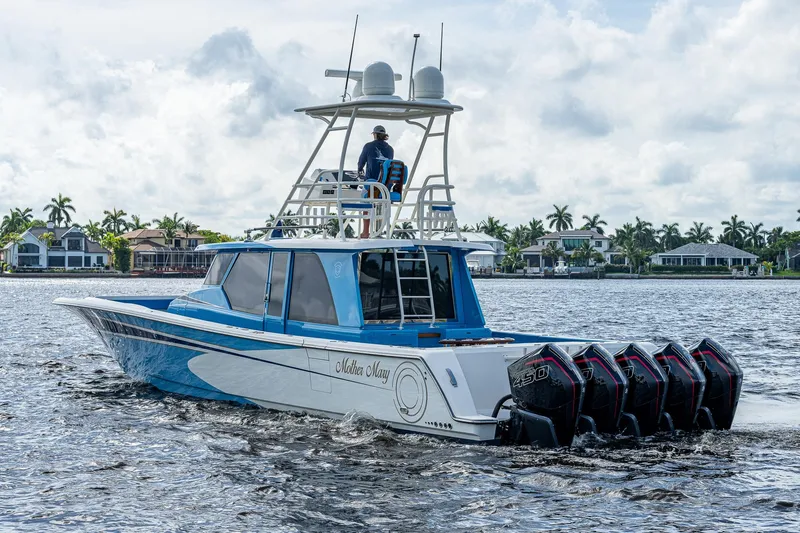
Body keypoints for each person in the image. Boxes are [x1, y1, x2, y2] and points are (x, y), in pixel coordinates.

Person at [357, 125, 394, 238]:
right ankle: (379, 231)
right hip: (385, 187)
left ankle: (365, 232)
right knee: (380, 202)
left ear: (375, 135)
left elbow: (360, 164)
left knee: (365, 201)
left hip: (372, 185)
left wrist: (360, 173)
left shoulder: (368, 146)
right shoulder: (390, 149)